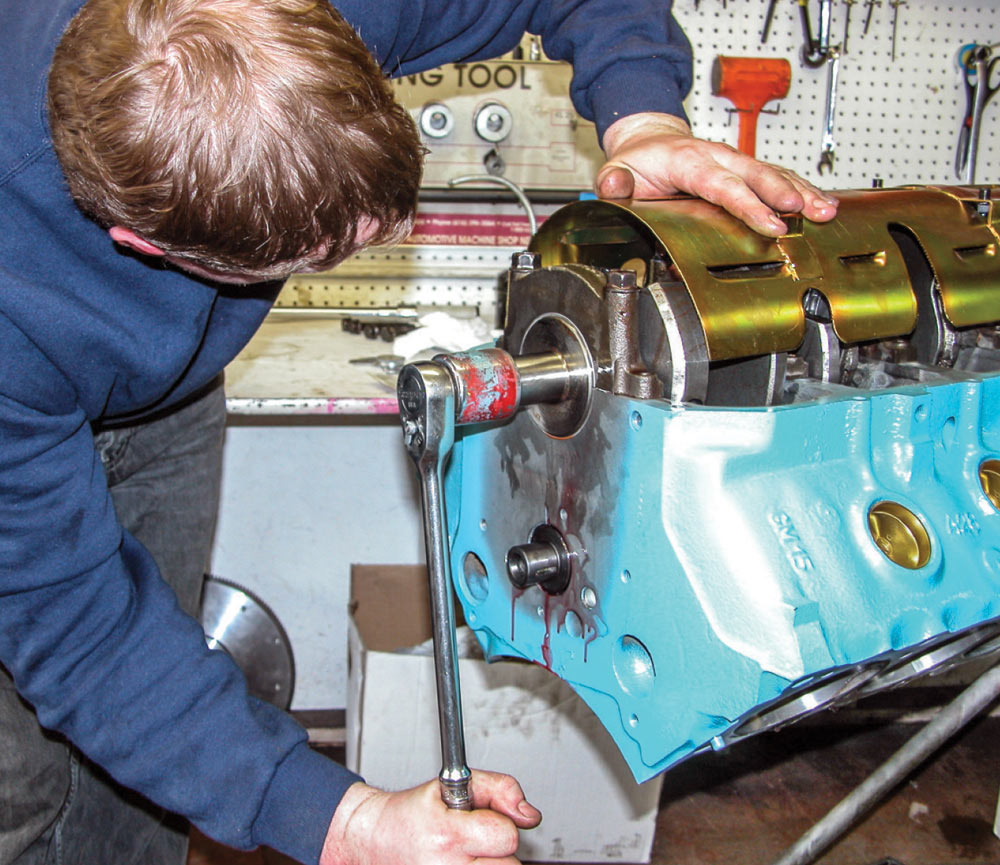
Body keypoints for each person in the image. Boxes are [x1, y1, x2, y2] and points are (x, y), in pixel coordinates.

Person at [0, 2, 838, 865]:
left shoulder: (293, 21)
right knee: (17, 787)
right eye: (304, 263)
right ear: (138, 243)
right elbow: (86, 638)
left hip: (164, 404)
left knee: (132, 786)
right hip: (24, 394)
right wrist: (345, 824)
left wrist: (645, 118)